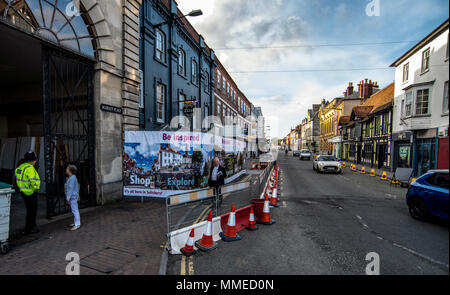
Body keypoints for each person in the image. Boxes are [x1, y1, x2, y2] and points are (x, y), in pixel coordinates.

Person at [15, 151, 41, 235]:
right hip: (30, 193)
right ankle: (29, 229)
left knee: (29, 210)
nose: (35, 161)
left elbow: (18, 179)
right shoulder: (29, 168)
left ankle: (29, 226)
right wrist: (35, 188)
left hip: (23, 192)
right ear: (31, 160)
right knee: (32, 211)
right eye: (35, 160)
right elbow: (33, 181)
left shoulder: (20, 167)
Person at [65, 164, 81, 231]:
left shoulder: (72, 178)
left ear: (70, 171)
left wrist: (68, 198)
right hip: (74, 196)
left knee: (75, 210)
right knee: (74, 209)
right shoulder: (72, 177)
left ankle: (77, 224)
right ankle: (76, 222)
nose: (66, 170)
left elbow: (70, 189)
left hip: (72, 197)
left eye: (67, 169)